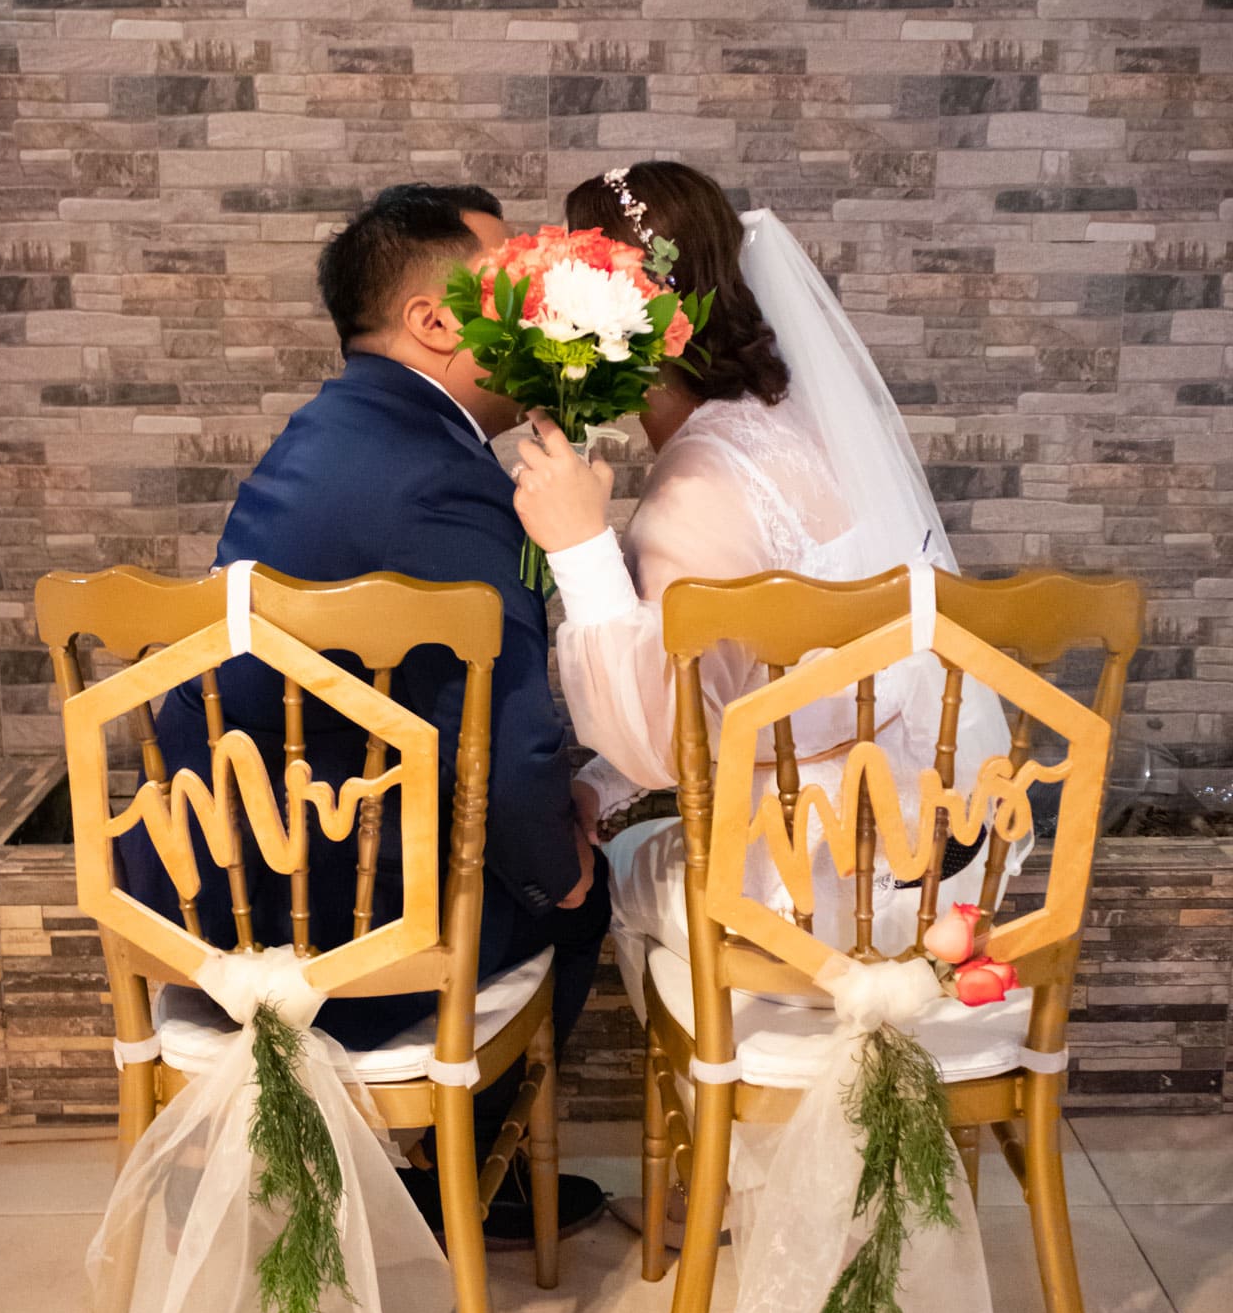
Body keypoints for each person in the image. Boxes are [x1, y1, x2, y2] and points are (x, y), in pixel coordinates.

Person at [510, 164, 1016, 1233]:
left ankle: (733, 1177)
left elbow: (660, 747)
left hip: (818, 893)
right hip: (937, 867)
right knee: (644, 825)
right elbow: (763, 691)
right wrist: (604, 770)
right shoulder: (804, 429)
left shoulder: (690, 495)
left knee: (623, 863)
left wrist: (577, 555)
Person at [122, 182, 608, 1244]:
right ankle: (456, 1191)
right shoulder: (437, 478)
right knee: (576, 886)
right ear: (434, 322)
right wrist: (553, 858)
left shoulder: (335, 429)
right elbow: (508, 735)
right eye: (510, 285)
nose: (537, 308)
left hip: (214, 890)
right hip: (324, 932)